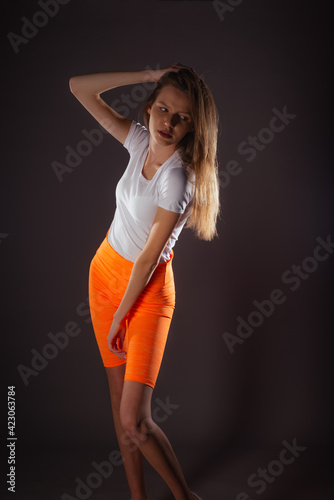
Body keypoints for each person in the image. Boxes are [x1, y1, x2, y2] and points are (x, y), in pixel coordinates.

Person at [69, 62, 220, 500]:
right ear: (151, 108)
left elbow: (150, 258)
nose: (168, 122)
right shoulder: (138, 140)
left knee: (135, 419)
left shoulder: (177, 179)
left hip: (147, 290)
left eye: (182, 117)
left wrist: (122, 314)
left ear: (194, 127)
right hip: (104, 276)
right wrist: (146, 75)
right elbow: (79, 86)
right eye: (162, 109)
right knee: (121, 414)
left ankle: (184, 496)